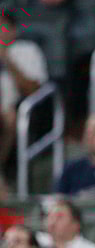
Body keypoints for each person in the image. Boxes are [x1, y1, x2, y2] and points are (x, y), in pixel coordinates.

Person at [0, 11, 48, 169]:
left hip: (13, 110)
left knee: (9, 117)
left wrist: (6, 58)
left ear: (13, 30)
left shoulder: (27, 50)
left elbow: (33, 90)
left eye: (2, 26)